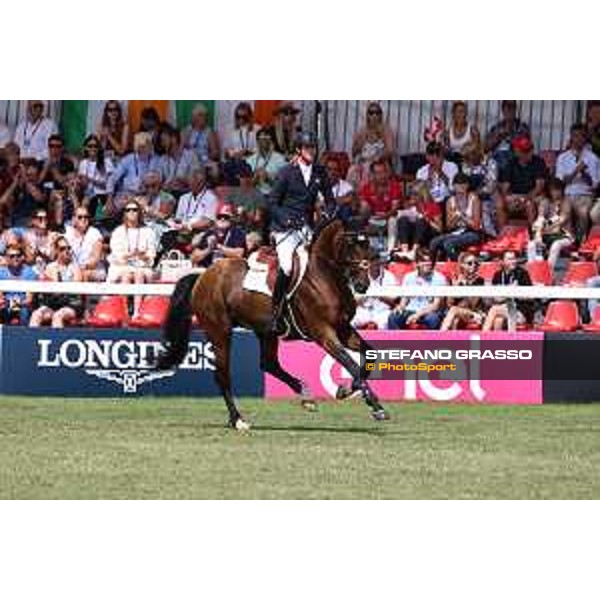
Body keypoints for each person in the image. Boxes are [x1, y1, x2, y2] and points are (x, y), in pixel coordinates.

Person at [268, 131, 335, 334]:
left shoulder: (319, 172)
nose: (311, 152)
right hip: (285, 229)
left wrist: (327, 214)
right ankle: (275, 312)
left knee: (319, 264)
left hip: (306, 227)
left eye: (313, 148)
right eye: (307, 148)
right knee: (287, 267)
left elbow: (330, 200)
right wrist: (286, 219)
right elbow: (271, 201)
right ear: (299, 150)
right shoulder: (286, 172)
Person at [107, 200, 157, 315]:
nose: (131, 212)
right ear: (124, 213)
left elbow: (151, 255)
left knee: (139, 274)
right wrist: (130, 255)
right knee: (126, 275)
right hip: (121, 266)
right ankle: (123, 312)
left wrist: (141, 255)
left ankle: (136, 312)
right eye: (128, 210)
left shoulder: (148, 231)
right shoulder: (118, 231)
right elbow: (116, 254)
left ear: (139, 212)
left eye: (135, 210)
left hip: (142, 266)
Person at [556, 123, 600, 236]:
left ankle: (582, 242)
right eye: (575, 136)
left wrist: (584, 173)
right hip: (568, 194)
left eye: (581, 136)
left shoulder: (593, 158)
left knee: (584, 213)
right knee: (565, 214)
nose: (578, 139)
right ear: (571, 137)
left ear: (585, 138)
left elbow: (595, 185)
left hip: (586, 195)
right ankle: (569, 240)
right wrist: (577, 170)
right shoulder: (563, 157)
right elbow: (561, 181)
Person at [30, 236, 84, 328]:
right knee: (36, 314)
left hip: (71, 305)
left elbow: (74, 290)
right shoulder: (50, 267)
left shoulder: (76, 268)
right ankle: (30, 341)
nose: (66, 251)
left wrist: (53, 281)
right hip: (53, 305)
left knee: (58, 315)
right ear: (56, 251)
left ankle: (57, 341)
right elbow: (49, 290)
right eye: (62, 249)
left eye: (68, 248)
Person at [387, 249, 446, 330]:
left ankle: (431, 342)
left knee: (433, 319)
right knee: (394, 317)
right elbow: (404, 300)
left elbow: (436, 305)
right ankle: (398, 342)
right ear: (417, 263)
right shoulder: (409, 277)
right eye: (424, 261)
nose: (428, 264)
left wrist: (418, 315)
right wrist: (400, 307)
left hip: (429, 311)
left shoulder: (439, 278)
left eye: (430, 261)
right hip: (411, 309)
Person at [497, 134, 547, 229]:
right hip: (515, 196)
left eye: (529, 150)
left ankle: (533, 234)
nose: (528, 153)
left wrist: (525, 198)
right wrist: (514, 199)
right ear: (517, 152)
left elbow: (539, 187)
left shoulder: (538, 162)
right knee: (499, 203)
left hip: (533, 196)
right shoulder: (510, 163)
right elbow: (505, 188)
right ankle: (502, 234)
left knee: (531, 204)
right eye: (524, 151)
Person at [429, 172, 482, 261]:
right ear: (454, 186)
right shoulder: (450, 201)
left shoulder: (474, 198)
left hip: (472, 233)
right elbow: (449, 226)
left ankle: (460, 263)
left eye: (463, 184)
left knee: (448, 244)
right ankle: (434, 265)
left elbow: (476, 226)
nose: (461, 186)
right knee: (434, 242)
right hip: (456, 232)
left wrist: (462, 216)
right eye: (458, 184)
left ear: (467, 185)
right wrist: (455, 217)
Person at [527, 178, 573, 273]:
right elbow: (540, 218)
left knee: (556, 245)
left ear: (562, 190)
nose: (555, 192)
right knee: (531, 245)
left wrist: (544, 229)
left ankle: (547, 272)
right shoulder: (545, 201)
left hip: (564, 235)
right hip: (547, 234)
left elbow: (561, 220)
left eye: (558, 190)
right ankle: (532, 271)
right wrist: (538, 233)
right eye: (553, 190)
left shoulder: (566, 202)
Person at [107, 132, 161, 212]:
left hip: (147, 195)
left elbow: (157, 180)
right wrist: (109, 199)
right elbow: (112, 178)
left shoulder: (155, 159)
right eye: (139, 146)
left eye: (144, 146)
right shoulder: (128, 159)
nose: (140, 149)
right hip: (127, 194)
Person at [483, 250, 534, 331]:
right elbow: (495, 298)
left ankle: (482, 338)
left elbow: (530, 296)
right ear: (502, 261)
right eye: (510, 259)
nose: (513, 261)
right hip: (503, 308)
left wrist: (516, 293)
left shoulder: (522, 273)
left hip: (520, 311)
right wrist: (508, 293)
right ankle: (496, 343)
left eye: (514, 259)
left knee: (494, 309)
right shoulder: (498, 275)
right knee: (498, 320)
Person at [391, 182, 443, 260]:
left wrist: (426, 219)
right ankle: (405, 251)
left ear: (422, 194)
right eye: (411, 194)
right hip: (414, 233)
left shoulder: (433, 206)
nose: (412, 196)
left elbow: (439, 229)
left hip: (428, 234)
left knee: (420, 221)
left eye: (415, 194)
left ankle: (414, 251)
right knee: (403, 220)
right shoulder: (410, 206)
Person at [349, 102, 395, 187]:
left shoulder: (386, 130)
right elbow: (354, 152)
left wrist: (377, 157)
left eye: (377, 113)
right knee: (352, 170)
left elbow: (390, 151)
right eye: (371, 113)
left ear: (381, 115)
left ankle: (365, 194)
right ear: (367, 115)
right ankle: (353, 194)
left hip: (380, 162)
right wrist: (359, 142)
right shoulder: (362, 131)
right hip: (363, 161)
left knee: (368, 169)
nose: (374, 115)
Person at [190, 204, 246, 268]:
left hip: (228, 271)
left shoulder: (237, 233)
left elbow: (239, 253)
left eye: (226, 217)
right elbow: (194, 258)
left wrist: (218, 246)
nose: (222, 219)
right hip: (208, 269)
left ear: (231, 219)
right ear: (216, 219)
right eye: (219, 217)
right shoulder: (209, 233)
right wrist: (209, 249)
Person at [440, 252, 485, 330]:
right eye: (470, 263)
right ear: (462, 265)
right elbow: (449, 303)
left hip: (474, 313)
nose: (473, 265)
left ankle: (440, 337)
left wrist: (467, 285)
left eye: (476, 263)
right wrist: (456, 287)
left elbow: (473, 304)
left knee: (454, 310)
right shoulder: (456, 280)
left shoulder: (480, 281)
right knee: (455, 320)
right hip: (458, 313)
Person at [77, 134, 115, 220]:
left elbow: (109, 183)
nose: (93, 148)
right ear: (86, 148)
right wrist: (82, 182)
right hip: (88, 195)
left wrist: (90, 180)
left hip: (103, 194)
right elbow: (83, 186)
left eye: (95, 146)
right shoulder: (83, 163)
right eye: (90, 146)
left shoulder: (106, 161)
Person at [351, 259, 397, 330]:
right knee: (351, 322)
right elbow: (355, 300)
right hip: (364, 310)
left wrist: (377, 294)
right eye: (371, 260)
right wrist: (365, 295)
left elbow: (393, 299)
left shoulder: (389, 276)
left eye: (376, 260)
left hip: (382, 311)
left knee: (384, 324)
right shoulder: (360, 277)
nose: (374, 263)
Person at [485, 100, 530, 171]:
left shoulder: (522, 127)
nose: (510, 112)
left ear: (515, 110)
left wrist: (511, 135)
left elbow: (526, 148)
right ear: (503, 111)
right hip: (497, 160)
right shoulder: (496, 127)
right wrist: (498, 138)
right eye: (508, 108)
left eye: (512, 108)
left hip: (514, 160)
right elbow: (486, 148)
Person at [64, 206, 106, 282]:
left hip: (93, 270)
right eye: (80, 217)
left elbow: (95, 260)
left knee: (83, 274)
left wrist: (82, 267)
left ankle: (77, 294)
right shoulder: (68, 234)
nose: (83, 219)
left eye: (86, 217)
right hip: (73, 269)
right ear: (73, 219)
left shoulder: (94, 233)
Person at [0, 242, 37, 325]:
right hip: (5, 305)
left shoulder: (30, 273)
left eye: (18, 255)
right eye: (12, 256)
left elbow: (29, 300)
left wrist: (16, 304)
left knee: (24, 311)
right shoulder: (1, 272)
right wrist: (6, 303)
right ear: (6, 258)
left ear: (22, 257)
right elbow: (0, 296)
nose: (15, 258)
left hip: (23, 306)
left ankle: (23, 336)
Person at [2, 159, 46, 228]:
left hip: (30, 220)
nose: (29, 175)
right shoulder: (17, 186)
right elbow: (3, 201)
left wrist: (25, 178)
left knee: (38, 220)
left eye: (31, 174)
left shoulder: (40, 186)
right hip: (14, 220)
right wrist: (15, 183)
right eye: (27, 173)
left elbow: (39, 198)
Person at [158, 126, 198, 198]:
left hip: (187, 194)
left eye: (164, 140)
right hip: (168, 195)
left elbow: (197, 180)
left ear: (174, 139)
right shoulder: (162, 159)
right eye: (161, 141)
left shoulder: (190, 155)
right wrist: (166, 185)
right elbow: (158, 181)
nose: (162, 144)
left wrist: (184, 180)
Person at [246, 127, 287, 196]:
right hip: (255, 197)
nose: (263, 142)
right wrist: (255, 178)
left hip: (273, 197)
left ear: (271, 141)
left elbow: (284, 186)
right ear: (257, 141)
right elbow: (246, 188)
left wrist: (268, 179)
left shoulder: (280, 159)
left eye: (266, 139)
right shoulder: (250, 160)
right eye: (261, 139)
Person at [182, 104, 221, 173]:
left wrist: (204, 157)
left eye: (204, 116)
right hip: (189, 161)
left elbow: (215, 153)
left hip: (204, 160)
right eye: (200, 115)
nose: (203, 118)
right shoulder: (187, 130)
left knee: (215, 170)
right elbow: (181, 148)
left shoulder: (209, 132)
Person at [23, 209, 58, 273]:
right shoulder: (28, 236)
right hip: (33, 269)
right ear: (34, 221)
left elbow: (52, 258)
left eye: (45, 218)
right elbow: (29, 260)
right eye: (40, 218)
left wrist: (41, 254)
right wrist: (36, 254)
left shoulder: (53, 236)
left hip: (49, 270)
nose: (43, 220)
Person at [325, 155, 355, 222]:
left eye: (335, 170)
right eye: (329, 169)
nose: (332, 173)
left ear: (339, 172)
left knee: (346, 208)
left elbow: (352, 198)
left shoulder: (346, 186)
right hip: (320, 219)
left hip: (339, 222)